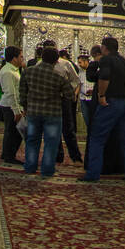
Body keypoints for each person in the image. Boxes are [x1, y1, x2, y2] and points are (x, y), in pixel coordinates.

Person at [80, 35, 125, 184]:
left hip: (110, 103)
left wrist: (102, 95)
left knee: (97, 138)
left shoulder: (106, 60)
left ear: (104, 48)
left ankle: (92, 174)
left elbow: (104, 77)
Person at [19, 45, 74, 179]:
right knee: (51, 143)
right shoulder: (59, 77)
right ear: (56, 61)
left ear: (41, 57)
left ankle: (30, 167)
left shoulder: (28, 72)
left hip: (33, 112)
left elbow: (22, 92)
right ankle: (47, 170)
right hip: (53, 114)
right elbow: (70, 95)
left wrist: (26, 106)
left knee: (32, 140)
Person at [54, 43, 83, 164]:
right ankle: (57, 156)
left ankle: (75, 157)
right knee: (54, 129)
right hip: (50, 101)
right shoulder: (41, 65)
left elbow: (76, 81)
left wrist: (69, 93)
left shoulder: (65, 64)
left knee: (68, 129)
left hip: (64, 100)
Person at [0, 46, 25, 165]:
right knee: (14, 132)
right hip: (10, 106)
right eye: (21, 57)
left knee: (11, 131)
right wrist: (17, 111)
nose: (22, 59)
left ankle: (6, 154)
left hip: (12, 106)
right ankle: (9, 156)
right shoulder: (8, 72)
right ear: (14, 59)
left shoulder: (14, 70)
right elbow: (11, 93)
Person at [77, 53, 94, 132]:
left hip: (93, 99)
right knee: (87, 119)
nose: (79, 64)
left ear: (86, 61)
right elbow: (79, 85)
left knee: (94, 119)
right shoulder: (80, 72)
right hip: (83, 99)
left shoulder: (94, 71)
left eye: (80, 62)